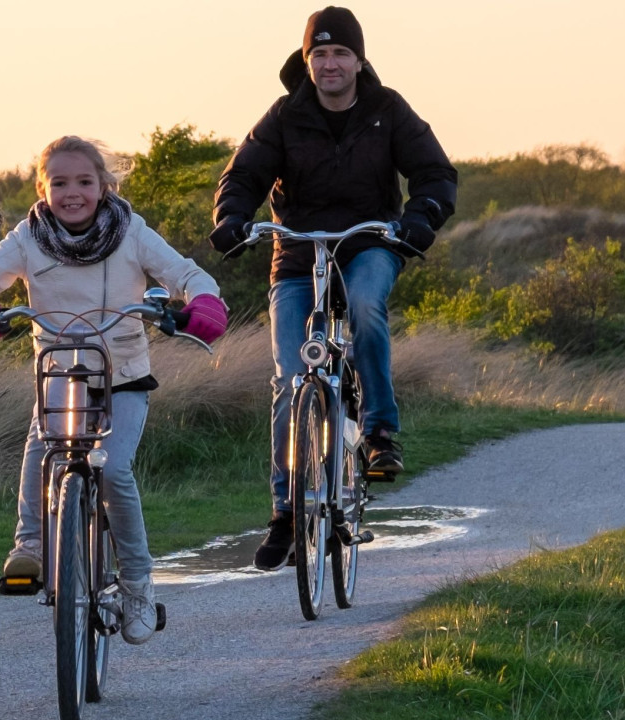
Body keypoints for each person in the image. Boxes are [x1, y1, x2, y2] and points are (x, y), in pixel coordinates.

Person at [0, 137, 228, 644]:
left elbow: (186, 274)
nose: (72, 192)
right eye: (59, 183)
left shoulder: (131, 231)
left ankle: (138, 586)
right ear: (42, 189)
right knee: (43, 449)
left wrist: (203, 302)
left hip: (123, 376)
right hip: (59, 374)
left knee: (115, 470)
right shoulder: (29, 236)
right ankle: (30, 546)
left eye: (84, 181)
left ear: (104, 186)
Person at [210, 6, 458, 571]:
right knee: (290, 378)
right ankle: (284, 513)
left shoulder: (387, 109)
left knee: (366, 305)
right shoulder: (284, 115)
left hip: (370, 243)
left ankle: (379, 431)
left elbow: (435, 174)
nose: (330, 64)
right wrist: (231, 217)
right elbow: (243, 174)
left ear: (359, 61)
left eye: (340, 53)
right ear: (306, 61)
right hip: (298, 254)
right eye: (319, 54)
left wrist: (420, 217)